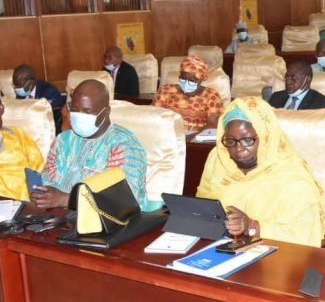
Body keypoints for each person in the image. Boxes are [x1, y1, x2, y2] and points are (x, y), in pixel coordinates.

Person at [196, 97, 325, 247]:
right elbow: (203, 207)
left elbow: (303, 235)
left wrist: (253, 226)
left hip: (277, 256)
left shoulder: (293, 177)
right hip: (220, 246)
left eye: (248, 140)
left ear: (266, 137)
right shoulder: (218, 157)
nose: (238, 149)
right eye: (230, 141)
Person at [32, 79, 156, 211]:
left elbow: (125, 202)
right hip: (59, 218)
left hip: (110, 224)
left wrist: (66, 200)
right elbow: (47, 178)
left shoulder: (123, 146)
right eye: (75, 110)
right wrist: (44, 193)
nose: (80, 116)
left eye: (87, 111)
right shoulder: (63, 140)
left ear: (106, 111)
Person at [152, 55, 223, 132]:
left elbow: (214, 125)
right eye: (183, 78)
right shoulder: (165, 90)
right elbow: (154, 115)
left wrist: (191, 137)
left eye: (192, 80)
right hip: (167, 135)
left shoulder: (211, 96)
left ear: (201, 79)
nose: (186, 82)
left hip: (196, 139)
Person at [12, 64, 65, 133]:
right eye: (15, 85)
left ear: (31, 82)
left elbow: (53, 119)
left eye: (19, 86)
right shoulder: (21, 94)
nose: (17, 89)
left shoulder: (49, 91)